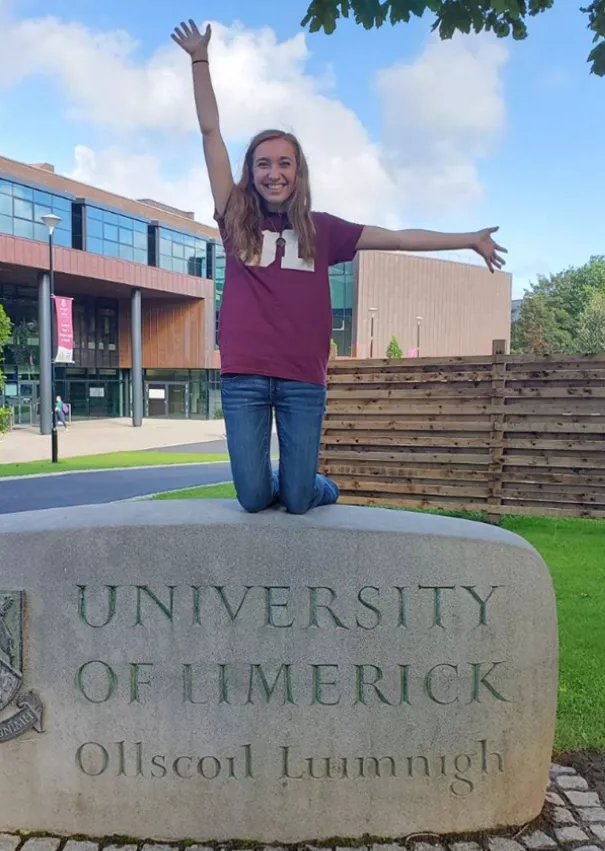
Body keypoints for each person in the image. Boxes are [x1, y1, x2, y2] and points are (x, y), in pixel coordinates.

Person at [171, 19, 507, 515]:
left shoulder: (324, 230)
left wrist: (468, 239)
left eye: (284, 163)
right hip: (244, 374)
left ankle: (311, 485)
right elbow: (210, 133)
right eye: (263, 163)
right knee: (252, 498)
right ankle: (294, 480)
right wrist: (200, 60)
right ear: (251, 171)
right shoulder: (234, 215)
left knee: (300, 501)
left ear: (298, 172)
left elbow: (397, 237)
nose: (273, 173)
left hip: (303, 377)